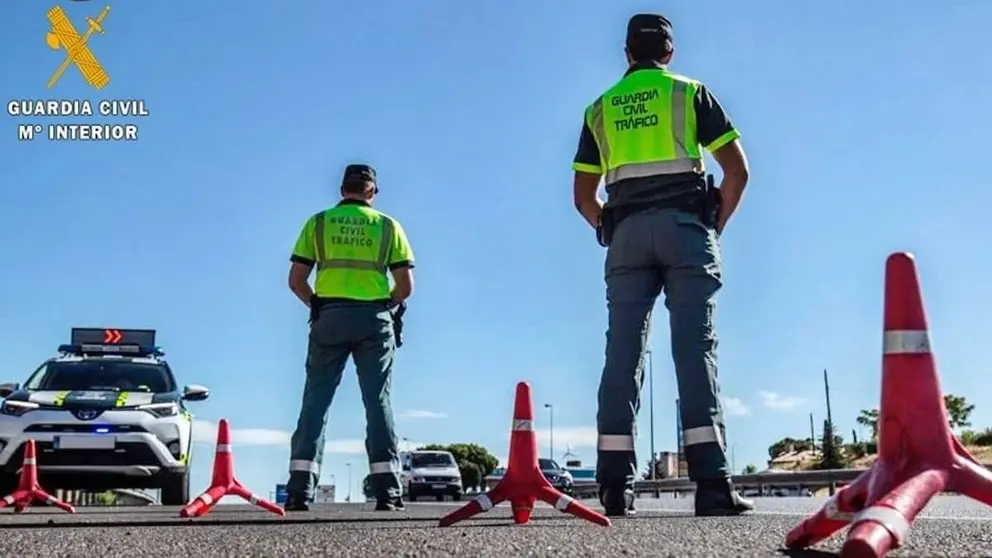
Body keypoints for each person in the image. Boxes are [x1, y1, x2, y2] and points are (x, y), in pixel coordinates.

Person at [571, 13, 753, 517]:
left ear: (627, 53)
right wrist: (715, 225)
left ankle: (613, 484)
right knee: (695, 351)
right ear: (669, 53)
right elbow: (737, 170)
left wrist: (604, 226)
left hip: (626, 235)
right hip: (685, 229)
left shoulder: (600, 108)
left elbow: (583, 194)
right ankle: (713, 485)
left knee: (622, 355)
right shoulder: (690, 92)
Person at [283, 163, 415, 512]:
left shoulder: (319, 222)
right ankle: (387, 492)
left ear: (342, 190)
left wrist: (318, 306)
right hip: (374, 319)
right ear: (373, 191)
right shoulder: (389, 227)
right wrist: (386, 304)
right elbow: (406, 287)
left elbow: (295, 280)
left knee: (316, 402)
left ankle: (299, 490)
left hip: (329, 318)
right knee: (377, 402)